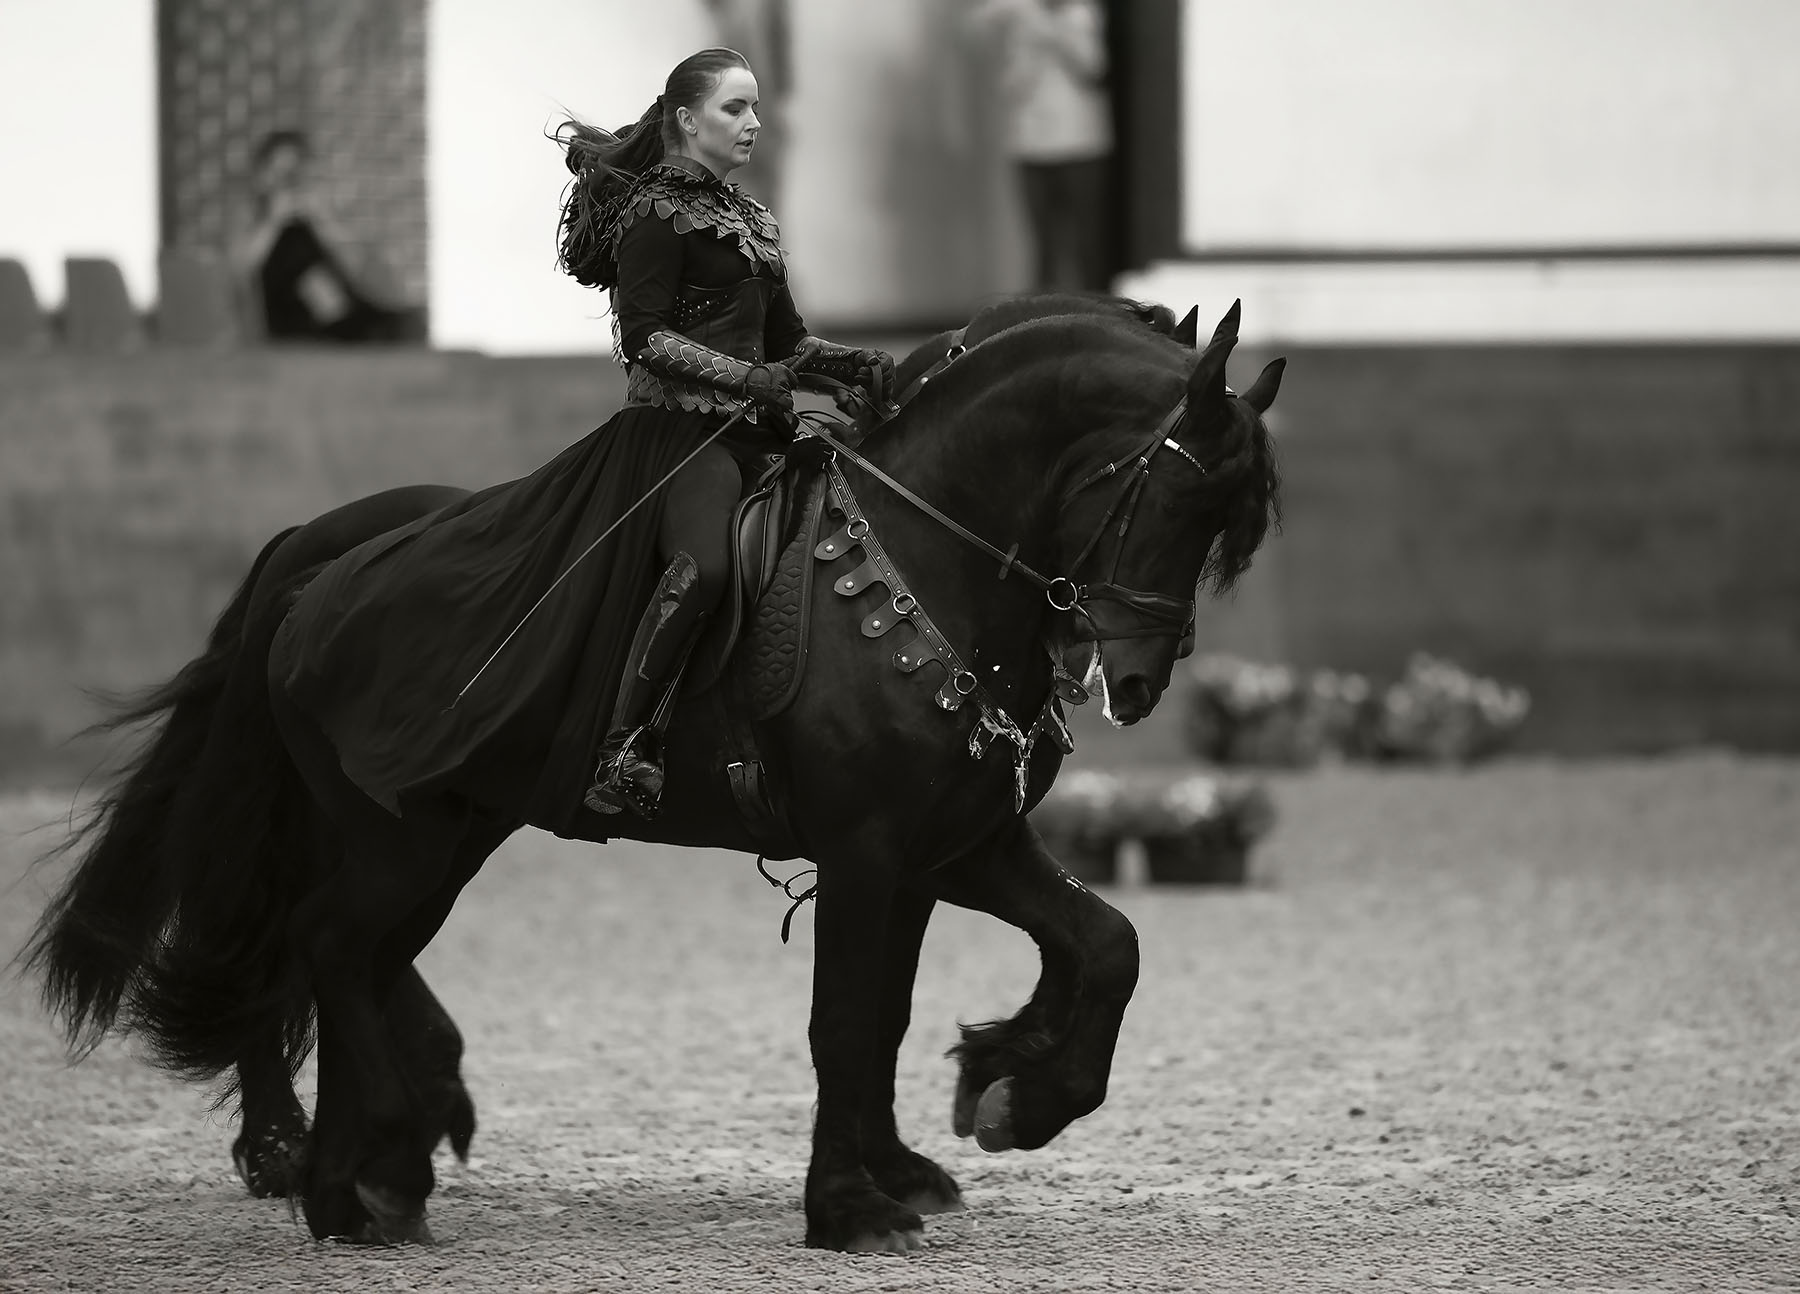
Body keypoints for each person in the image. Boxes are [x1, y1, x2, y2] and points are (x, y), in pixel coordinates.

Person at [556, 47, 895, 817]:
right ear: (686, 119)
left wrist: (855, 365)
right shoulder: (654, 212)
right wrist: (746, 378)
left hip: (758, 432)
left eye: (755, 108)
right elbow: (644, 338)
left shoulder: (752, 218)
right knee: (704, 570)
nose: (753, 123)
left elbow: (789, 344)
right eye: (734, 108)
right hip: (676, 436)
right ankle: (625, 746)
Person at [968, 0, 1114, 293]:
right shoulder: (1019, 19)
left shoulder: (1082, 13)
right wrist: (1029, 36)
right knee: (1042, 242)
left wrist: (1051, 32)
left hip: (1081, 145)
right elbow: (1010, 85)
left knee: (1087, 239)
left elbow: (1092, 68)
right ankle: (1045, 308)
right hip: (1031, 145)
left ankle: (1096, 305)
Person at [235, 129, 422, 342]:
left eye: (295, 170)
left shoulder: (314, 221)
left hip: (341, 315)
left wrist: (321, 219)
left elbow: (358, 265)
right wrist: (274, 220)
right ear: (264, 174)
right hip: (296, 323)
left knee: (406, 323)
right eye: (279, 170)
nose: (288, 180)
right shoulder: (253, 220)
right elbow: (240, 269)